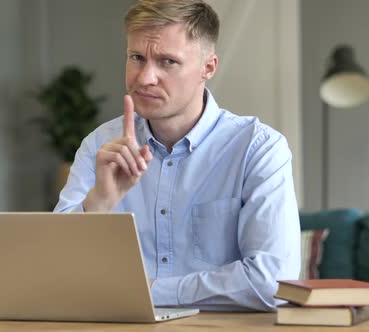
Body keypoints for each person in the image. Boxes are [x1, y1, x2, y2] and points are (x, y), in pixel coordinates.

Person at [54, 0, 300, 311]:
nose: (145, 78)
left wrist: (148, 292)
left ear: (207, 68)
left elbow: (272, 283)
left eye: (167, 62)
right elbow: (55, 273)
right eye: (137, 57)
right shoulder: (99, 146)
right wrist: (98, 202)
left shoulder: (258, 149)